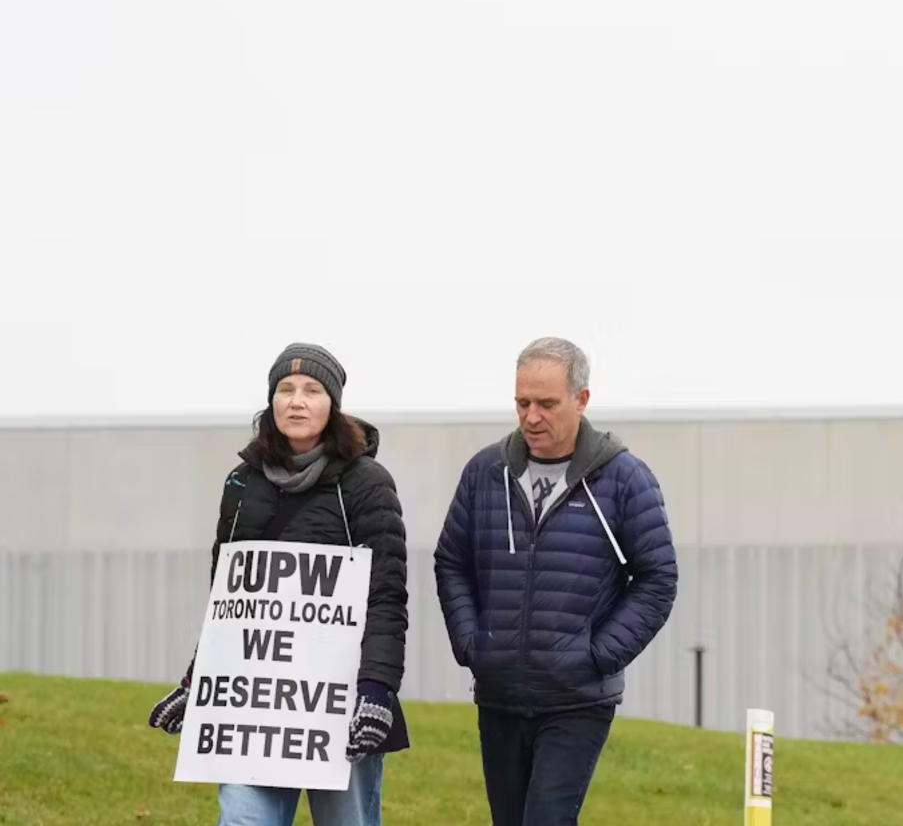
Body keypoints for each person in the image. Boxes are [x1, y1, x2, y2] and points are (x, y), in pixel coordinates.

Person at [147, 343, 412, 826]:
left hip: (340, 702)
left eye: (312, 390)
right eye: (285, 389)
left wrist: (375, 692)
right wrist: (198, 681)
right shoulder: (242, 483)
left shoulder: (367, 483)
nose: (297, 400)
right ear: (271, 401)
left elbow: (386, 596)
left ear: (333, 404)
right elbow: (228, 602)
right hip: (253, 707)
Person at [433, 337, 678, 826]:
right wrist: (471, 643)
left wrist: (597, 656)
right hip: (499, 692)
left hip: (576, 700)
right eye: (522, 402)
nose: (531, 416)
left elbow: (658, 579)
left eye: (546, 403)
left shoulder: (624, 479)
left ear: (581, 400)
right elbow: (451, 560)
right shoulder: (486, 473)